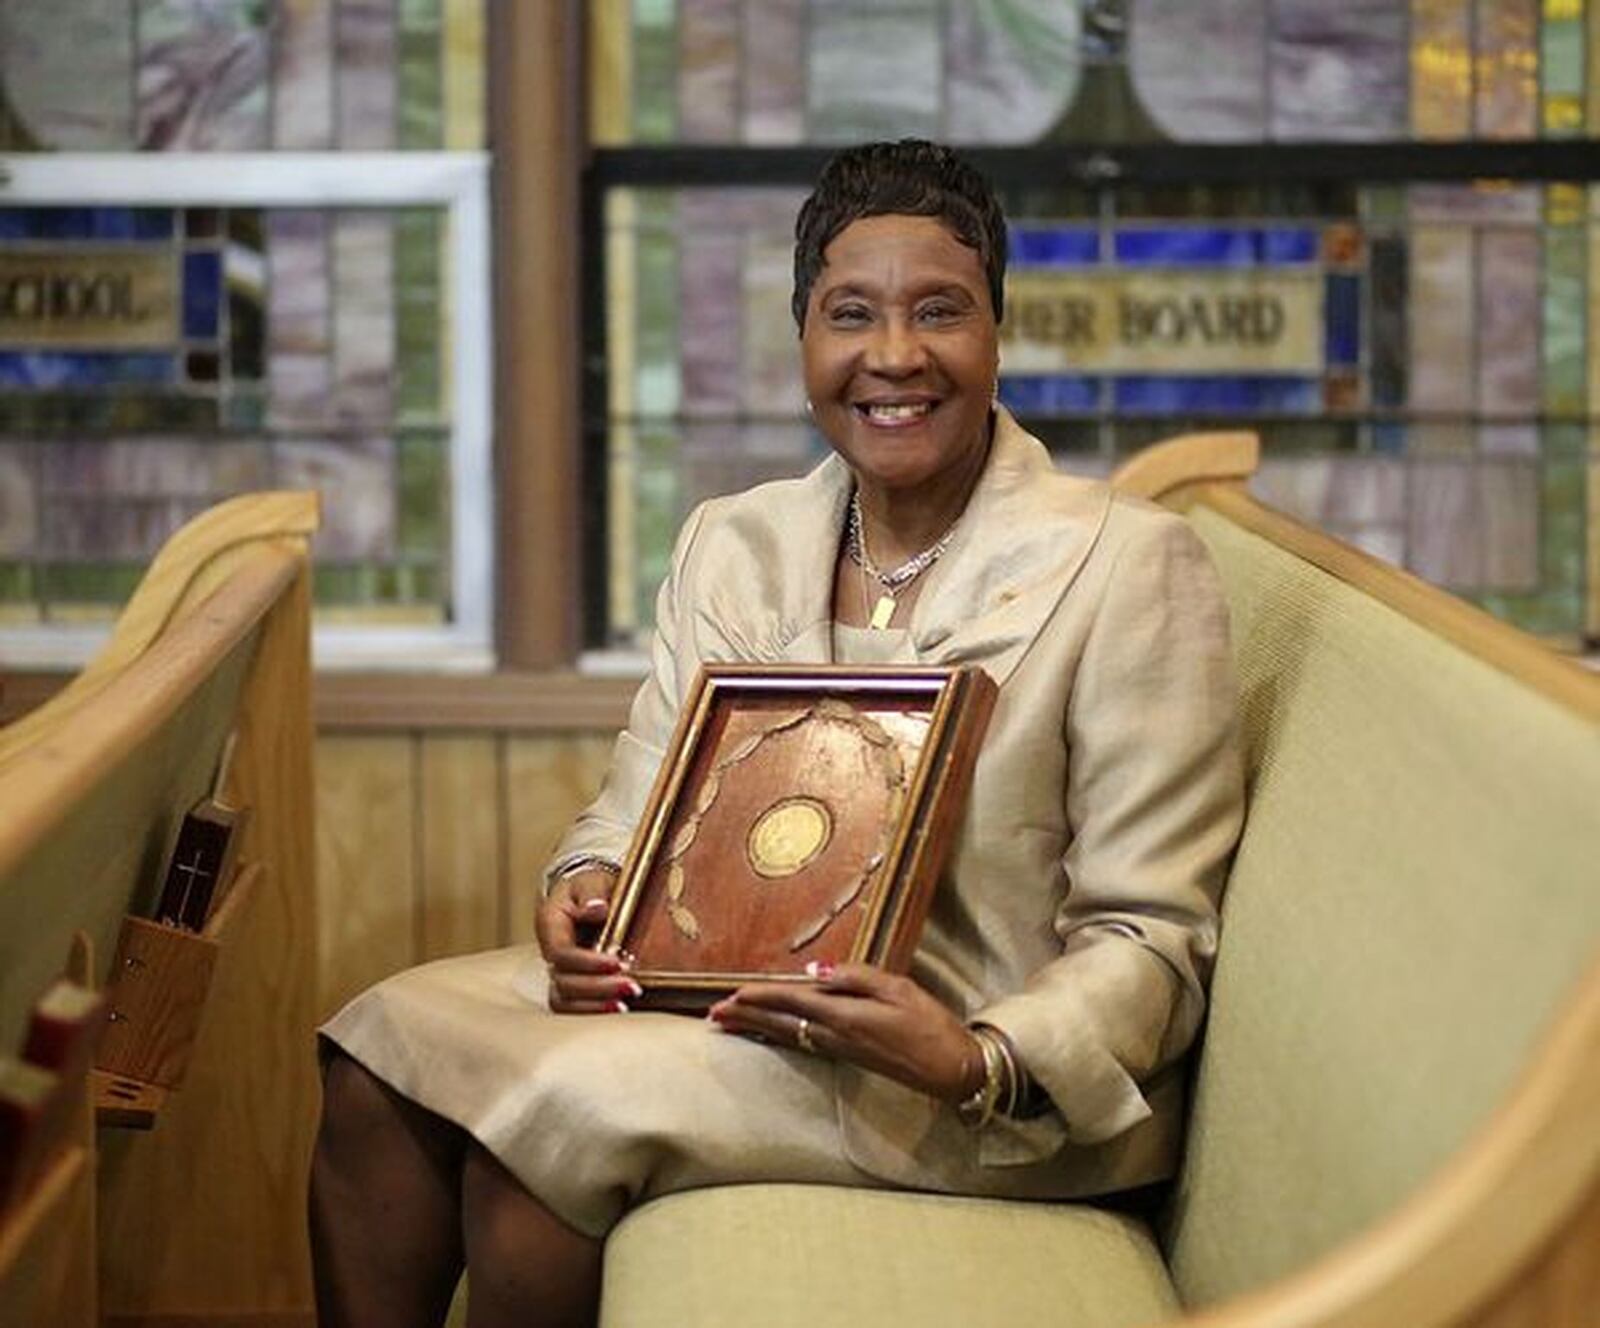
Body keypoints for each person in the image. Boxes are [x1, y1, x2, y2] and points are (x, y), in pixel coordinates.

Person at [310, 139, 1244, 1328]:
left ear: (996, 333)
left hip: (959, 1071)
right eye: (851, 313)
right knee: (369, 1056)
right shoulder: (733, 538)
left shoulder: (1128, 562)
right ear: (803, 334)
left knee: (538, 1138)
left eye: (940, 312)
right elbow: (637, 796)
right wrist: (590, 882)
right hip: (722, 997)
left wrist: (976, 1055)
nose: (894, 355)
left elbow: (1152, 927)